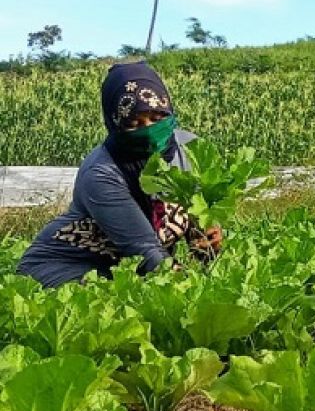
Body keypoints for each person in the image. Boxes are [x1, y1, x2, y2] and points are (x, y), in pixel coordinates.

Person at [17, 61, 222, 287]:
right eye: (134, 123)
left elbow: (199, 211)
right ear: (115, 126)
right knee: (112, 301)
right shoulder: (101, 173)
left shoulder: (190, 149)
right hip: (63, 267)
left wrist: (208, 237)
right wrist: (193, 290)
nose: (149, 132)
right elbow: (145, 251)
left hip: (119, 270)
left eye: (156, 118)